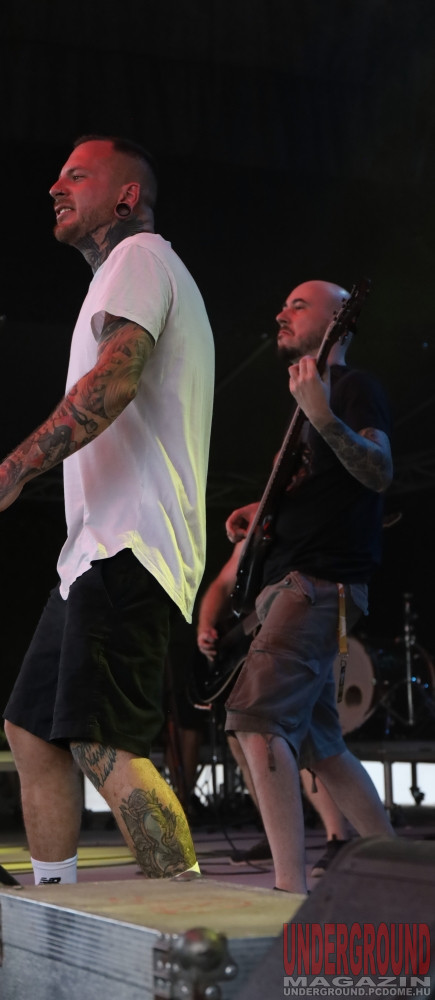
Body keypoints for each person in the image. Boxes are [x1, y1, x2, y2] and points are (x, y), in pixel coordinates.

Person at [0, 136, 215, 883]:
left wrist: (9, 474)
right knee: (32, 732)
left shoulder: (140, 258)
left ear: (126, 196)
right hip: (92, 553)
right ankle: (55, 906)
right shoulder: (117, 277)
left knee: (103, 742)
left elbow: (115, 381)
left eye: (77, 175)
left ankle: (193, 914)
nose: (55, 187)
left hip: (131, 543)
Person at [222, 279, 394, 893]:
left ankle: (287, 892)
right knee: (324, 747)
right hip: (301, 581)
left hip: (317, 584)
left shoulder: (351, 388)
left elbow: (378, 470)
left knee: (256, 723)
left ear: (339, 319)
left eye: (299, 305)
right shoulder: (310, 399)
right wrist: (263, 512)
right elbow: (325, 486)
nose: (282, 313)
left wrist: (322, 415)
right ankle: (402, 874)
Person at [196, 542, 353, 876]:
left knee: (306, 739)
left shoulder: (301, 526)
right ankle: (278, 834)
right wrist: (205, 627)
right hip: (262, 632)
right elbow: (222, 584)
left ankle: (337, 837)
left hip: (299, 620)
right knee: (244, 736)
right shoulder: (256, 533)